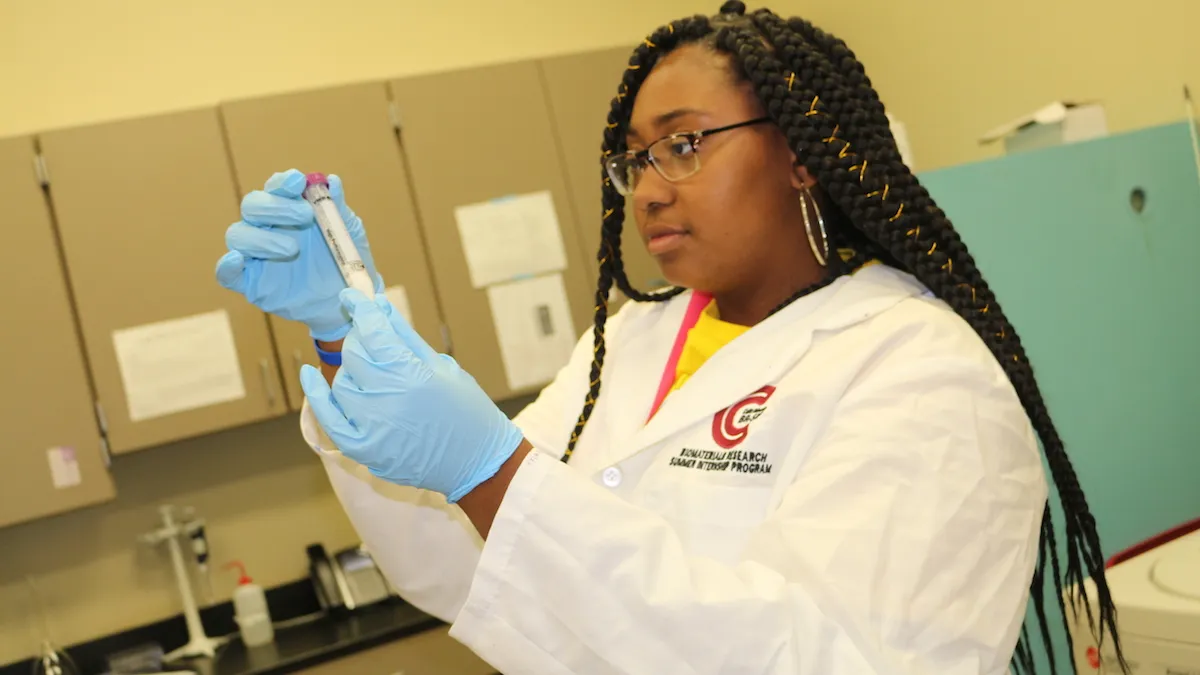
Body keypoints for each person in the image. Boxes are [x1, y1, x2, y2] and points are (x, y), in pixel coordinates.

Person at [216, 3, 1126, 673]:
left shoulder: (924, 373)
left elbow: (819, 659)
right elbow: (462, 567)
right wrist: (342, 336)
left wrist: (491, 471)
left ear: (805, 150)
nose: (646, 189)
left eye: (685, 145)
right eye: (634, 158)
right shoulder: (633, 340)